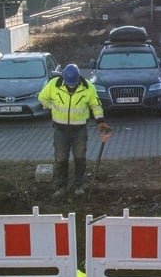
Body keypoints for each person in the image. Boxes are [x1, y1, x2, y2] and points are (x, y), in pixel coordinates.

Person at [38, 63, 111, 198]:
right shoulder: (54, 85)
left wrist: (100, 121)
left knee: (80, 158)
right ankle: (61, 187)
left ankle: (78, 185)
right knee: (60, 159)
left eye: (74, 83)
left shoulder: (88, 87)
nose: (71, 85)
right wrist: (51, 107)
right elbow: (42, 97)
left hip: (79, 130)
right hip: (60, 129)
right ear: (64, 78)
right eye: (69, 83)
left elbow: (96, 105)